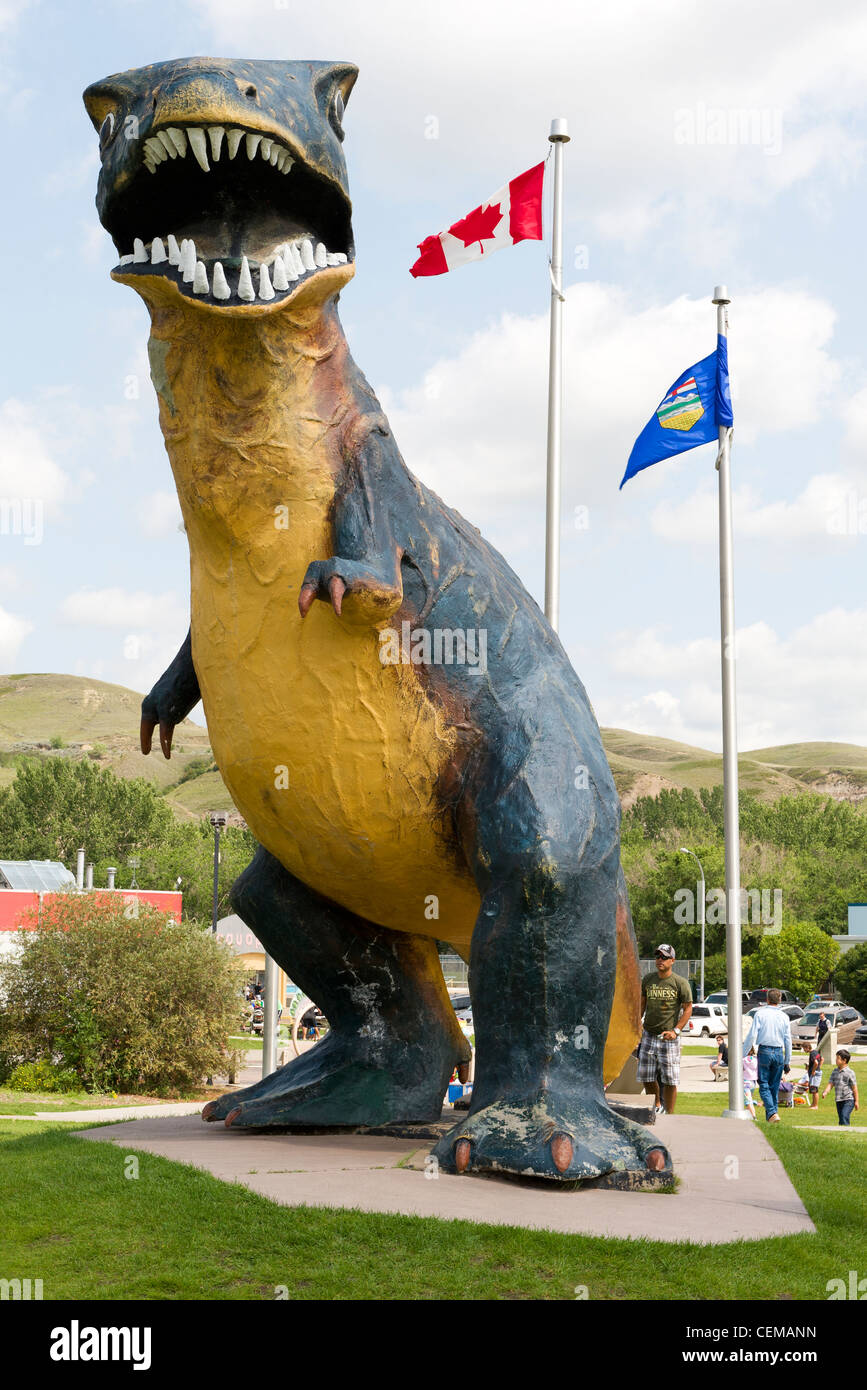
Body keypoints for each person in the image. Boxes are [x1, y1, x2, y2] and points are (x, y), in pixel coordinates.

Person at [638, 944, 693, 1115]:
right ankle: (656, 1105)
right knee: (646, 1077)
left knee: (670, 1080)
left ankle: (670, 1113)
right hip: (648, 1034)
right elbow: (642, 1003)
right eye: (657, 957)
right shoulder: (648, 979)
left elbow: (688, 1009)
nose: (659, 960)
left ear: (672, 960)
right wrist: (637, 1023)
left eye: (663, 957)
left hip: (668, 1037)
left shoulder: (680, 983)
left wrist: (676, 1031)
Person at [742, 987, 791, 1124]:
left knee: (763, 1084)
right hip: (778, 1052)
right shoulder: (784, 1016)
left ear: (767, 999)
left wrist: (743, 1053)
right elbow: (788, 1040)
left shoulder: (760, 1014)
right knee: (774, 1087)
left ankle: (772, 1112)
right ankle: (772, 1118)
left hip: (765, 1050)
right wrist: (787, 1060)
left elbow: (752, 1035)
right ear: (780, 1000)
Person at [821, 1048, 860, 1126]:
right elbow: (831, 1084)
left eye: (838, 1059)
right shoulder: (835, 1071)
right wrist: (826, 1092)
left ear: (844, 1060)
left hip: (848, 1099)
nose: (836, 1060)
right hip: (838, 1100)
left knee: (844, 1115)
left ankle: (846, 1131)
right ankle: (842, 1131)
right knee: (841, 1118)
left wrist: (856, 1101)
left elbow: (854, 1088)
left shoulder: (850, 1072)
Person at [805, 1041, 823, 1110]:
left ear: (807, 1047)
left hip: (815, 1074)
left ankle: (815, 1106)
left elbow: (815, 1062)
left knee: (814, 1090)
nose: (804, 1051)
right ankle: (813, 1104)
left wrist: (813, 1071)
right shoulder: (815, 1052)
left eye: (804, 1049)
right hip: (817, 1072)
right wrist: (818, 1068)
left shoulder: (812, 1053)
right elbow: (822, 1059)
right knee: (813, 1089)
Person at [742, 1048, 758, 1119]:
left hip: (745, 1082)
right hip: (753, 1082)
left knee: (748, 1101)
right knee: (748, 1100)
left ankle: (754, 1117)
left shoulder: (743, 1059)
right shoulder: (756, 1059)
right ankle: (747, 1116)